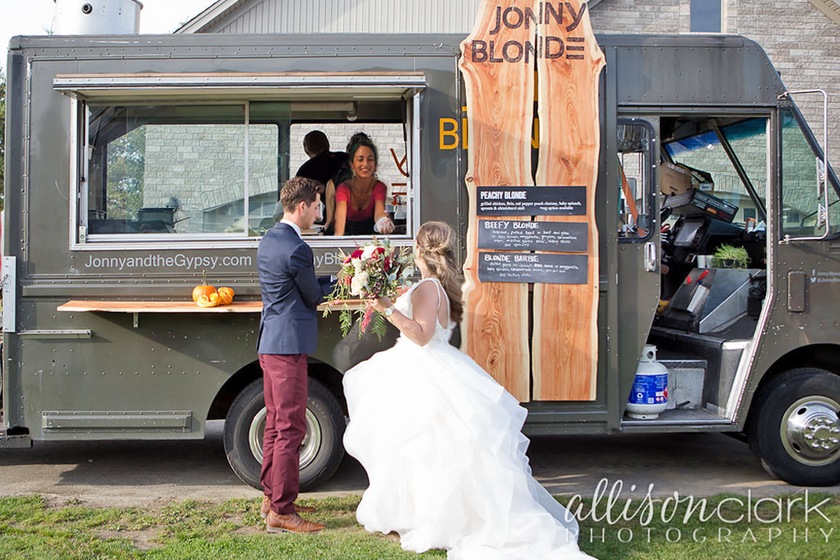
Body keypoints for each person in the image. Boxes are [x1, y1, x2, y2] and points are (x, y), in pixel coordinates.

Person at [342, 221, 594, 559]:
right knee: (423, 447)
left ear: (420, 249)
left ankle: (433, 517)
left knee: (426, 446)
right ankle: (414, 510)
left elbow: (421, 335)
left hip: (425, 367)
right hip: (427, 365)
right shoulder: (432, 286)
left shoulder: (429, 288)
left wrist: (384, 307)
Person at [256, 176, 335, 534]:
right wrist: (343, 279)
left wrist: (334, 277)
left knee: (275, 425)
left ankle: (271, 498)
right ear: (301, 207)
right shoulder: (298, 249)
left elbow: (296, 288)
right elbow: (313, 296)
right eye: (317, 205)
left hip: (270, 343)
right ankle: (282, 512)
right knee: (291, 428)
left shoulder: (270, 240)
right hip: (288, 347)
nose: (319, 212)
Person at [333, 132, 395, 236]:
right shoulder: (344, 189)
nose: (365, 164)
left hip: (372, 242)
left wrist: (383, 222)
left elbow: (379, 213)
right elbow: (339, 228)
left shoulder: (379, 187)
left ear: (375, 164)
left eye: (370, 159)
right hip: (347, 239)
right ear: (352, 164)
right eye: (360, 159)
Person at [295, 130, 349, 232]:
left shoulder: (306, 170)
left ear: (306, 149)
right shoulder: (344, 158)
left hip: (333, 219)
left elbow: (296, 201)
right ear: (327, 144)